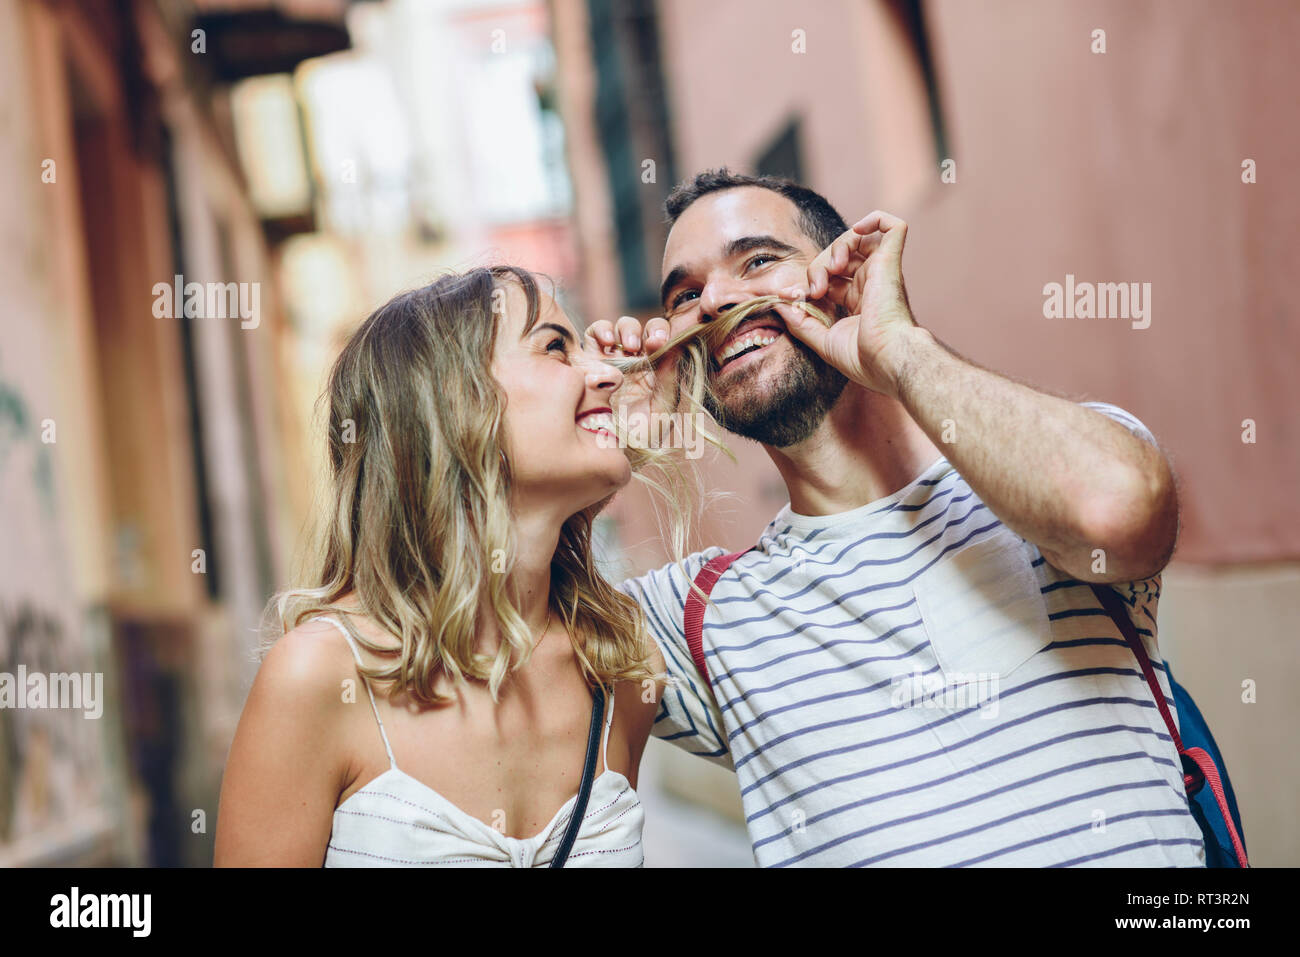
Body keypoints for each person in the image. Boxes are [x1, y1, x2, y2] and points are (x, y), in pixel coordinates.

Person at [589, 169, 1206, 867]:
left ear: (843, 274)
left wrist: (898, 347)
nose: (716, 300)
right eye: (684, 296)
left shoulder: (1035, 489)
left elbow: (1120, 510)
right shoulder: (699, 615)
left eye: (757, 261)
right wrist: (606, 452)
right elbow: (476, 636)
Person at [214, 266, 667, 867]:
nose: (608, 373)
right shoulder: (319, 677)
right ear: (453, 402)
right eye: (557, 346)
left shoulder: (617, 666)